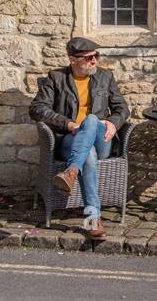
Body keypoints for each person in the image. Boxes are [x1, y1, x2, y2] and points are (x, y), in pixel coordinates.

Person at [29, 37, 130, 241]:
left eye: (96, 56)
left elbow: (122, 108)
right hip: (70, 139)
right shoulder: (56, 78)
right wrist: (68, 124)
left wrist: (113, 121)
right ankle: (93, 217)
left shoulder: (105, 77)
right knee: (88, 155)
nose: (94, 61)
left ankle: (72, 170)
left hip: (102, 140)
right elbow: (37, 108)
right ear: (73, 60)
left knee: (92, 120)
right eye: (89, 58)